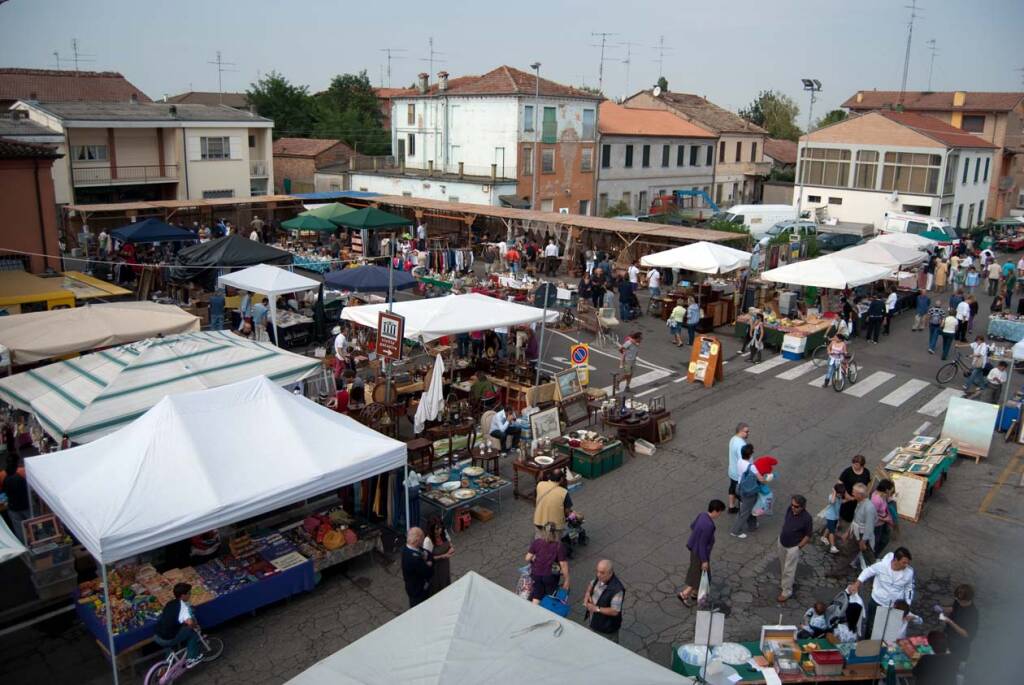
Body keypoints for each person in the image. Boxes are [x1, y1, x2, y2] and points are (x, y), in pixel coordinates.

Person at [848, 547, 915, 630]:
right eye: (904, 563)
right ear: (895, 560)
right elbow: (868, 571)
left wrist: (907, 604)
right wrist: (856, 584)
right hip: (877, 601)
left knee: (889, 629)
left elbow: (909, 588)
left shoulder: (909, 572)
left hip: (895, 605)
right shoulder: (881, 566)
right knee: (871, 626)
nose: (906, 565)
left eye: (907, 563)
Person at [678, 499, 726, 606]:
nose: (719, 515)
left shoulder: (702, 515)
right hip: (700, 554)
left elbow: (692, 526)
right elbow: (702, 545)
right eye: (720, 512)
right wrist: (704, 561)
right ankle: (684, 594)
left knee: (699, 574)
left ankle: (694, 594)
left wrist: (697, 535)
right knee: (700, 576)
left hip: (693, 549)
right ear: (715, 511)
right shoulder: (709, 525)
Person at [154, 583, 203, 668]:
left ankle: (168, 663)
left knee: (170, 633)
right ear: (183, 595)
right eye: (189, 593)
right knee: (192, 633)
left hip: (157, 636)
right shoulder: (183, 607)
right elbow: (190, 623)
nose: (190, 595)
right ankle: (192, 658)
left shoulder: (170, 603)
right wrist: (195, 626)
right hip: (167, 638)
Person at [777, 494, 813, 602]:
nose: (793, 507)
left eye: (796, 506)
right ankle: (785, 583)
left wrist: (799, 547)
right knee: (783, 565)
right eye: (792, 505)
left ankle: (787, 591)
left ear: (802, 507)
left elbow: (808, 535)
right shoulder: (790, 509)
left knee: (789, 569)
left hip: (793, 547)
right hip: (782, 542)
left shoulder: (807, 518)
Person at [525, 523, 569, 604]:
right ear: (555, 532)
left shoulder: (537, 542)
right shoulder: (559, 546)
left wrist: (535, 557)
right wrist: (567, 580)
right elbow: (563, 564)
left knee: (537, 595)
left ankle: (533, 612)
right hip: (550, 576)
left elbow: (527, 558)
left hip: (536, 574)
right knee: (550, 597)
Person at [584, 560, 625, 642]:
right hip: (594, 622)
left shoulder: (617, 589)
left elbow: (615, 611)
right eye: (597, 571)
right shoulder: (600, 577)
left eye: (602, 572)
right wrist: (587, 594)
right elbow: (591, 584)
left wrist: (596, 609)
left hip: (606, 629)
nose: (598, 575)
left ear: (610, 573)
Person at [730, 445, 767, 538]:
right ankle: (735, 531)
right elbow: (761, 479)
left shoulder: (739, 461)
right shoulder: (751, 467)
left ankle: (752, 526)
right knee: (744, 512)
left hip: (739, 487)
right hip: (748, 491)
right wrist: (767, 479)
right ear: (750, 455)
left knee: (749, 507)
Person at [939, 583, 978, 662]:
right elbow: (954, 608)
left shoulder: (972, 614)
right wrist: (942, 609)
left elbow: (966, 634)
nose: (957, 600)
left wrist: (949, 621)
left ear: (966, 600)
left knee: (954, 664)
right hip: (949, 636)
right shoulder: (958, 601)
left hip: (959, 644)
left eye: (959, 600)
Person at [402, 527, 433, 607]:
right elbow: (429, 572)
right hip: (418, 591)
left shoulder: (407, 548)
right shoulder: (414, 559)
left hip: (414, 588)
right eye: (422, 540)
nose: (423, 542)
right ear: (417, 540)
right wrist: (428, 563)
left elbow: (429, 553)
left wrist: (427, 557)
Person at [533, 470, 571, 535]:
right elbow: (567, 511)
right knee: (555, 544)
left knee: (540, 541)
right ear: (561, 479)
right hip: (555, 526)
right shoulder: (564, 492)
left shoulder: (540, 485)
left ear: (549, 476)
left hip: (539, 521)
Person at [422, 517, 454, 595]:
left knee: (445, 581)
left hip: (445, 565)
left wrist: (451, 549)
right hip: (435, 569)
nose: (439, 530)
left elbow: (450, 545)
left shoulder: (444, 533)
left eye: (440, 527)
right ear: (431, 529)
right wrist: (443, 556)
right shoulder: (428, 541)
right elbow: (426, 559)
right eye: (436, 529)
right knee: (437, 587)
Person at [838, 455, 871, 525]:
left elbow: (867, 484)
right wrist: (846, 495)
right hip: (848, 498)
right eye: (853, 463)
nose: (853, 465)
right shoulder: (847, 471)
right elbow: (839, 483)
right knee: (846, 516)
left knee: (858, 515)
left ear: (862, 465)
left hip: (859, 499)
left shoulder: (866, 472)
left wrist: (865, 495)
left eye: (856, 464)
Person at [3, 456, 29, 543]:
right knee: (35, 524)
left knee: (19, 529)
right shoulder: (22, 474)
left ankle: (25, 545)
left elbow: (6, 492)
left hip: (13, 507)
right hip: (26, 505)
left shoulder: (5, 478)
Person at [727, 423, 750, 513]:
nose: (748, 433)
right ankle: (743, 511)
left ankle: (731, 507)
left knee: (732, 488)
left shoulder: (733, 439)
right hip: (739, 474)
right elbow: (743, 462)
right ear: (740, 431)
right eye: (746, 431)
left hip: (732, 471)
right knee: (741, 493)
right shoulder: (741, 445)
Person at [871, 479, 896, 557]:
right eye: (891, 490)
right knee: (876, 541)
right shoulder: (876, 500)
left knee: (885, 539)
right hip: (877, 525)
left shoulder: (882, 495)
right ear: (886, 490)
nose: (891, 492)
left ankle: (874, 554)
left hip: (883, 522)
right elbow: (872, 514)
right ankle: (871, 556)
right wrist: (885, 519)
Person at [820, 482, 844, 554]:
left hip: (835, 517)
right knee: (832, 531)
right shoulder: (831, 496)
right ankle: (832, 547)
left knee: (829, 527)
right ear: (836, 492)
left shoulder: (839, 498)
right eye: (839, 493)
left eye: (842, 493)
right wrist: (834, 492)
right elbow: (832, 502)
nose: (841, 495)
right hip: (830, 517)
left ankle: (823, 537)